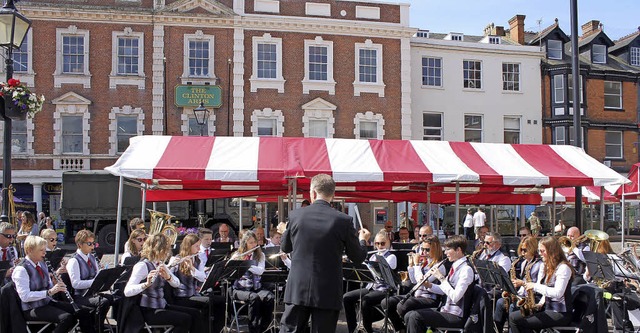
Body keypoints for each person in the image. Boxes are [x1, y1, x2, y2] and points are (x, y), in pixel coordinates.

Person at [280, 173, 370, 333]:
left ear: (313, 193)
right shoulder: (343, 220)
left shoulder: (295, 215)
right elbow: (358, 257)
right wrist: (363, 240)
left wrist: (284, 232)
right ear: (333, 195)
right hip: (327, 290)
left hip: (297, 288)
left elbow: (286, 247)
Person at [124, 233, 199, 333]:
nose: (168, 252)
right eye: (166, 249)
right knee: (185, 319)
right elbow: (127, 291)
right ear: (159, 249)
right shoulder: (142, 265)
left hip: (161, 305)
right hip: (148, 310)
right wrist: (146, 284)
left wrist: (168, 277)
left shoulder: (159, 263)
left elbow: (176, 283)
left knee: (196, 314)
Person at [12, 235, 82, 333]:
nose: (45, 253)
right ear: (29, 251)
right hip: (32, 308)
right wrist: (49, 292)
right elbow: (25, 296)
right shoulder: (21, 269)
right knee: (66, 318)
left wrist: (54, 284)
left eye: (45, 249)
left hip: (46, 302)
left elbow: (47, 287)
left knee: (81, 311)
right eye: (41, 250)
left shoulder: (42, 264)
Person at [404, 235, 474, 332]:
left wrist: (441, 278)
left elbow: (455, 296)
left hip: (457, 315)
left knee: (415, 317)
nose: (445, 252)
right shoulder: (455, 266)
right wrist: (429, 285)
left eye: (448, 249)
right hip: (446, 309)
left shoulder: (466, 270)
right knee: (409, 315)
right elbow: (444, 290)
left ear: (458, 250)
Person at [508, 236, 574, 333]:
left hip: (560, 313)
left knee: (518, 322)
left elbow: (558, 293)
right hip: (547, 308)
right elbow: (546, 289)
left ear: (552, 250)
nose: (540, 254)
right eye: (539, 251)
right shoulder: (546, 266)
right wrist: (539, 304)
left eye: (542, 251)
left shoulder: (563, 268)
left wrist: (534, 286)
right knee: (513, 316)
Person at [382, 236, 445, 331]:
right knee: (387, 302)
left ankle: (412, 327)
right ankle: (401, 329)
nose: (423, 252)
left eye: (427, 250)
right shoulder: (426, 262)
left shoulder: (439, 266)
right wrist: (411, 266)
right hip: (417, 296)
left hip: (430, 298)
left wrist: (416, 265)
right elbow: (414, 281)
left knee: (403, 306)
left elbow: (421, 282)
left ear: (435, 250)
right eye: (422, 249)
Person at [343, 231, 397, 333]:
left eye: (382, 243)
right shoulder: (373, 256)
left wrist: (375, 263)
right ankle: (353, 329)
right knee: (347, 297)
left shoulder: (391, 257)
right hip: (371, 288)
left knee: (365, 300)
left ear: (388, 243)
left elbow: (385, 273)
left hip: (385, 290)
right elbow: (366, 272)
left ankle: (367, 329)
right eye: (377, 243)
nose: (379, 246)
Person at [170, 233, 224, 333]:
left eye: (199, 246)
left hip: (194, 294)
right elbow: (171, 280)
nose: (199, 249)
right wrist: (173, 265)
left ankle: (214, 330)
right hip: (181, 297)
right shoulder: (176, 259)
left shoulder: (198, 259)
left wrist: (192, 268)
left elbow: (203, 278)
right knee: (209, 303)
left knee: (221, 301)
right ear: (188, 246)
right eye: (197, 246)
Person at [66, 230, 112, 331]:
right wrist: (95, 281)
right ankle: (97, 328)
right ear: (79, 245)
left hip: (92, 294)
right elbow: (75, 284)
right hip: (80, 296)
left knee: (114, 298)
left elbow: (97, 275)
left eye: (93, 243)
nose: (93, 247)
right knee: (103, 302)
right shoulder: (74, 261)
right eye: (89, 244)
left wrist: (103, 275)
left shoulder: (92, 258)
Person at [494, 235, 542, 332]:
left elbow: (538, 284)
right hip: (522, 295)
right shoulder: (524, 263)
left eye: (525, 250)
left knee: (513, 307)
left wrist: (522, 283)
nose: (522, 253)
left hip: (535, 298)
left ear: (532, 249)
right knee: (500, 303)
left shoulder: (540, 264)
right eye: (521, 250)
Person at [231, 230, 274, 333]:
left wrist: (246, 265)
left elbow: (260, 271)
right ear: (245, 243)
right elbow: (230, 271)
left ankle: (264, 328)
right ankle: (253, 329)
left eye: (255, 242)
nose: (254, 245)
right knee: (254, 298)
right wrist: (236, 261)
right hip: (240, 289)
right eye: (250, 243)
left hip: (256, 288)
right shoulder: (237, 255)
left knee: (269, 297)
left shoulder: (260, 255)